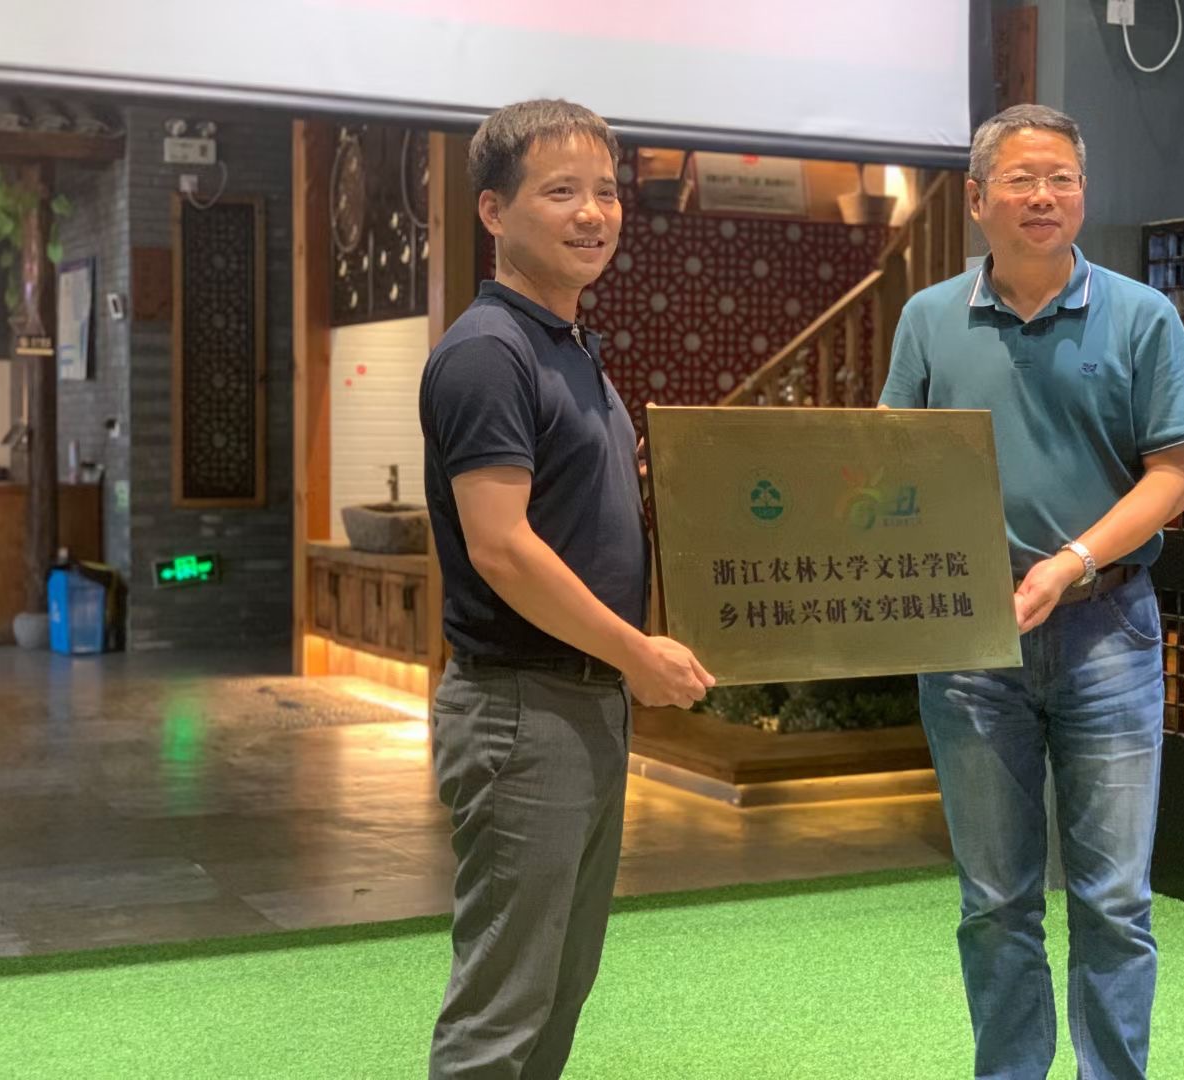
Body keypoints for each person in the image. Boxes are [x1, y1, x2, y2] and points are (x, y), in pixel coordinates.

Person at [879, 104, 1184, 1079]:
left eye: (1061, 178)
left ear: (1083, 194)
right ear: (976, 199)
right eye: (1022, 179)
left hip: (1110, 628)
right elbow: (891, 465)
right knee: (994, 901)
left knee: (1114, 901)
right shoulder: (929, 320)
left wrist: (1069, 561)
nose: (1044, 196)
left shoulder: (1143, 315)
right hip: (969, 639)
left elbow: (1173, 479)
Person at [418, 98, 714, 1080]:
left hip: (579, 705)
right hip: (523, 709)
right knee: (504, 1008)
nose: (594, 213)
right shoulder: (488, 352)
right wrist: (636, 652)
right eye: (561, 192)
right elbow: (502, 548)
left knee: (556, 988)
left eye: (606, 192)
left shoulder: (565, 346)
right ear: (494, 210)